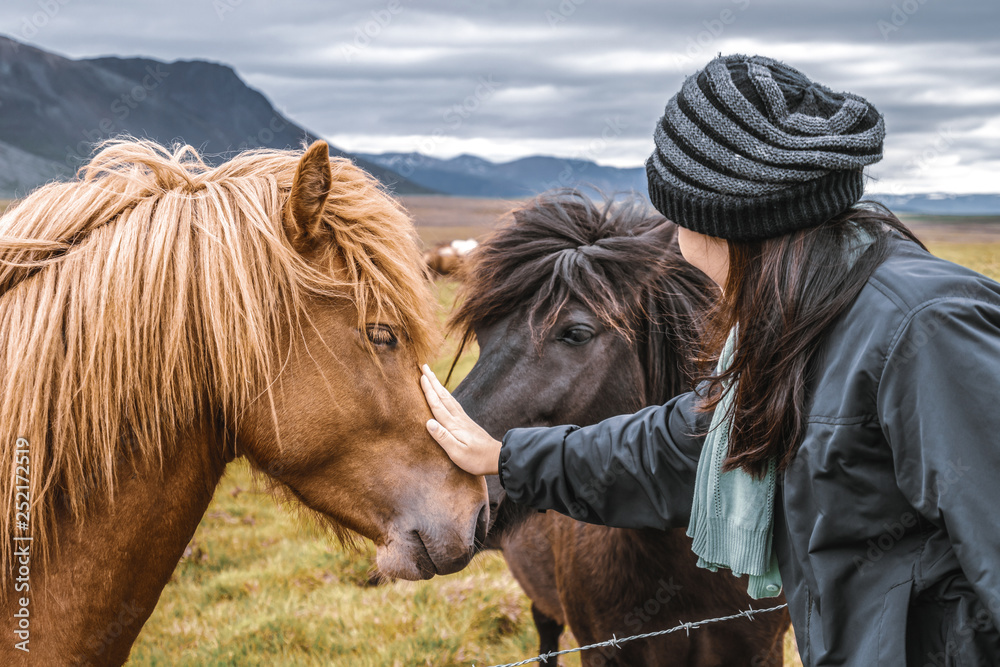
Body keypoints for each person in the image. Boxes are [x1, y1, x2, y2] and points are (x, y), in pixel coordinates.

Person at [419, 54, 1000, 666]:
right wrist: (508, 455)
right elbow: (688, 447)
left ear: (723, 225)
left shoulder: (924, 328)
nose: (673, 238)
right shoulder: (805, 324)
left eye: (678, 216)